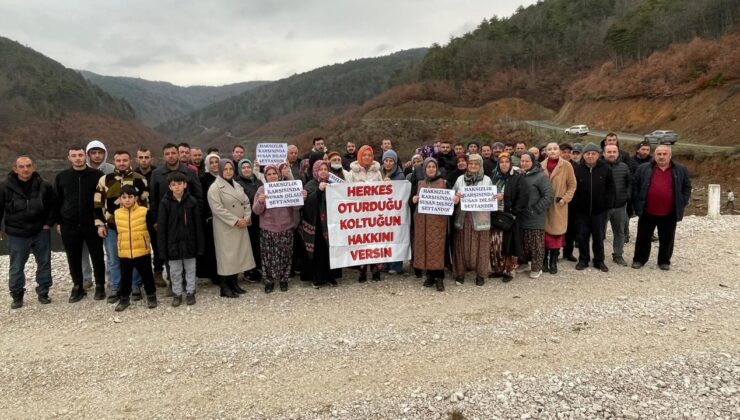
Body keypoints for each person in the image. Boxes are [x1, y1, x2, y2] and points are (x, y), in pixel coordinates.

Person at [94, 150, 149, 303]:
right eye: (119, 160)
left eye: (125, 160)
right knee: (114, 258)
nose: (122, 163)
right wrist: (100, 224)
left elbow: (146, 203)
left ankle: (136, 285)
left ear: (130, 161)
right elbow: (98, 203)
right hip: (112, 226)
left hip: (135, 226)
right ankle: (116, 286)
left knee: (136, 255)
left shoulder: (140, 179)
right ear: (114, 161)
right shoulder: (105, 180)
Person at [0, 156, 55, 309]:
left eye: (28, 166)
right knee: (16, 266)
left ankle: (43, 291)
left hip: (40, 231)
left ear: (33, 167)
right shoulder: (4, 187)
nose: (25, 169)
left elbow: (52, 206)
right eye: (22, 166)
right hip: (16, 233)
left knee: (44, 262)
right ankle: (17, 295)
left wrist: (48, 223)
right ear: (15, 168)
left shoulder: (44, 185)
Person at [54, 146, 106, 302]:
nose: (78, 158)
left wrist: (101, 222)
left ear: (86, 156)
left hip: (92, 223)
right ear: (69, 157)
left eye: (80, 155)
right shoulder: (62, 176)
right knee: (73, 257)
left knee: (97, 256)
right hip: (69, 224)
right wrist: (58, 222)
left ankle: (100, 286)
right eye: (74, 155)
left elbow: (103, 200)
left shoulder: (97, 175)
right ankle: (78, 286)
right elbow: (57, 200)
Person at [149, 143, 203, 293]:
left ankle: (188, 282)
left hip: (188, 219)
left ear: (178, 154)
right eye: (167, 154)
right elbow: (153, 200)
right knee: (170, 251)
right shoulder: (157, 174)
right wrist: (155, 220)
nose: (171, 156)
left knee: (188, 250)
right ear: (163, 156)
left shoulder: (189, 172)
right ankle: (174, 283)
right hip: (166, 220)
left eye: (173, 153)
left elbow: (198, 196)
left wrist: (197, 217)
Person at [631, 145, 691, 270]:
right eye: (659, 154)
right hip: (647, 210)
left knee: (667, 238)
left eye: (665, 154)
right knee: (643, 237)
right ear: (655, 155)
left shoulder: (680, 169)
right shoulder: (643, 168)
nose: (662, 156)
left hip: (669, 211)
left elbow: (686, 187)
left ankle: (664, 261)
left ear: (670, 155)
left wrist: (682, 202)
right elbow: (635, 186)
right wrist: (637, 203)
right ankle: (639, 259)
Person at [252, 165, 306, 293]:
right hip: (268, 228)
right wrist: (260, 202)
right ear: (265, 176)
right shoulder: (261, 189)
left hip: (286, 227)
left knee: (285, 256)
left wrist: (301, 197)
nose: (272, 176)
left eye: (274, 173)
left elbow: (297, 207)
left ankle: (283, 280)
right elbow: (256, 211)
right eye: (269, 174)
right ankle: (269, 281)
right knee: (268, 257)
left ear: (279, 174)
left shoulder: (287, 187)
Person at [208, 160, 256, 297]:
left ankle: (234, 283)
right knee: (227, 258)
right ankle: (224, 286)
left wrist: (246, 217)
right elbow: (217, 209)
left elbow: (246, 202)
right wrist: (235, 221)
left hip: (241, 224)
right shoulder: (215, 188)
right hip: (226, 227)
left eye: (230, 169)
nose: (228, 171)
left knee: (237, 256)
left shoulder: (237, 185)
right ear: (221, 170)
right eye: (226, 169)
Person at [157, 172, 204, 307]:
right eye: (173, 185)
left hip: (190, 243)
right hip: (172, 245)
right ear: (169, 187)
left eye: (179, 184)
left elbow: (198, 226)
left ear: (185, 185)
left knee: (190, 269)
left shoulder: (192, 201)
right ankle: (177, 293)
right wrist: (162, 249)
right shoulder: (165, 203)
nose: (177, 187)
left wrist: (200, 246)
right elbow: (162, 229)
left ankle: (190, 292)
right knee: (175, 272)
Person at [113, 185, 158, 311]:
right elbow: (117, 231)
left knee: (147, 274)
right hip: (125, 251)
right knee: (125, 276)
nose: (127, 200)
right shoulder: (117, 213)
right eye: (124, 197)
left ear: (136, 198)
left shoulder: (144, 211)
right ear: (120, 199)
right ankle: (124, 299)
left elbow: (151, 230)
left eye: (130, 197)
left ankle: (151, 295)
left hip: (142, 249)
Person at [572, 143, 615, 272]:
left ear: (598, 155)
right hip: (581, 211)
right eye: (587, 153)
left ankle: (599, 260)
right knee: (582, 236)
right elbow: (572, 188)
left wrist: (607, 204)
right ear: (583, 155)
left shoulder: (606, 169)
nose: (590, 156)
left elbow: (611, 188)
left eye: (593, 153)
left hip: (599, 211)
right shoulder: (577, 170)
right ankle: (583, 259)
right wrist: (576, 204)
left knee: (598, 236)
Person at [451, 154, 493, 286]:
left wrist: (495, 197)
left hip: (480, 220)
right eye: (471, 164)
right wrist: (455, 198)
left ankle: (480, 274)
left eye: (476, 164)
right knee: (461, 247)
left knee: (481, 247)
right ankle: (460, 273)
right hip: (463, 218)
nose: (473, 166)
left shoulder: (487, 180)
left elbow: (491, 199)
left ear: (480, 165)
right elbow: (452, 197)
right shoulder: (460, 179)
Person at [410, 158, 449, 291]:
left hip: (438, 223)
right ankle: (430, 276)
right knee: (426, 248)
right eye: (428, 167)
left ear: (437, 168)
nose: (431, 169)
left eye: (433, 166)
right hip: (423, 222)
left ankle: (439, 278)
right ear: (425, 169)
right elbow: (411, 201)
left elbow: (450, 202)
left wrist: (454, 200)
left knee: (437, 249)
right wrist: (414, 199)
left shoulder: (444, 183)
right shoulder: (420, 183)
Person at [346, 145, 383, 281]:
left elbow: (383, 191)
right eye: (364, 155)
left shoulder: (377, 172)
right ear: (359, 156)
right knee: (361, 242)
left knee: (375, 241)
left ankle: (375, 270)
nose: (367, 157)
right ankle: (362, 270)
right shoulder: (352, 173)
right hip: (359, 214)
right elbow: (348, 193)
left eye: (369, 155)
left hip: (374, 213)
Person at [489, 153, 529, 282]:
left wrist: (513, 212)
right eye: (501, 162)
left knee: (509, 243)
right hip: (495, 215)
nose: (504, 164)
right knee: (496, 243)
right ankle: (498, 269)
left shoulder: (517, 178)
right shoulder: (494, 178)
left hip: (510, 216)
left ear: (510, 163)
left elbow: (523, 197)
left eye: (507, 162)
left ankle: (509, 271)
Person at [541, 142, 577, 275]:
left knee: (556, 234)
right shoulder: (541, 165)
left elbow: (572, 185)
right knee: (544, 235)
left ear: (559, 151)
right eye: (549, 149)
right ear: (545, 151)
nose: (552, 151)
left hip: (558, 205)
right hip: (544, 206)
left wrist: (565, 199)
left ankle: (553, 261)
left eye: (555, 149)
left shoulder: (566, 165)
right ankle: (544, 260)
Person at [517, 152, 554, 278]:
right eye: (522, 161)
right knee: (522, 242)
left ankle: (537, 267)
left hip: (535, 216)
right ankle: (523, 263)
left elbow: (548, 196)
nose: (524, 163)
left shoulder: (541, 177)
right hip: (521, 215)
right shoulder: (519, 175)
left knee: (535, 244)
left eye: (527, 161)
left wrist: (536, 209)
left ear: (533, 162)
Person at [300, 160, 335, 288]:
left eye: (326, 169)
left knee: (329, 251)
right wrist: (319, 191)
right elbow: (307, 204)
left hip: (330, 224)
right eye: (321, 169)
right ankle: (317, 277)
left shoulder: (333, 184)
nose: (323, 172)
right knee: (318, 252)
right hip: (316, 225)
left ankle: (330, 276)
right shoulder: (310, 185)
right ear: (315, 171)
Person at [603, 144, 631, 266]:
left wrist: (627, 196)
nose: (612, 154)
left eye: (614, 151)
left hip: (620, 206)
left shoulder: (624, 167)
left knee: (619, 232)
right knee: (599, 233)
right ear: (603, 153)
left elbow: (629, 183)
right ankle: (598, 256)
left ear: (618, 153)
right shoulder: (599, 167)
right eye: (609, 151)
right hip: (603, 207)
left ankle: (618, 255)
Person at [235, 158, 263, 284]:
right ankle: (248, 271)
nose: (246, 169)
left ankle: (257, 268)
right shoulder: (237, 182)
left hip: (259, 218)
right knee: (248, 246)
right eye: (243, 168)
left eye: (248, 167)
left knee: (257, 244)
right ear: (240, 170)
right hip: (246, 220)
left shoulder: (257, 181)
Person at [380, 149, 406, 275]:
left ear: (395, 162)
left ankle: (396, 265)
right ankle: (385, 263)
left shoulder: (400, 175)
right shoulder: (378, 173)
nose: (388, 163)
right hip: (381, 212)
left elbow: (400, 194)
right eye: (386, 160)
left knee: (395, 238)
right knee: (384, 238)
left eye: (391, 161)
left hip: (395, 212)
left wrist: (392, 185)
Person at [197, 153, 221, 285]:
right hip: (210, 218)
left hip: (225, 218)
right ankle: (214, 274)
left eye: (216, 162)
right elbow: (201, 199)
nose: (214, 165)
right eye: (211, 162)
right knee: (212, 247)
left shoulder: (226, 176)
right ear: (207, 164)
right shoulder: (203, 179)